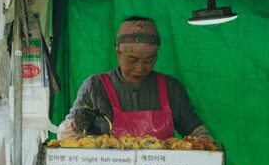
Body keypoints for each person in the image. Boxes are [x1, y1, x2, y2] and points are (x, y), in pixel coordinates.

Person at [60, 16, 209, 138]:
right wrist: (76, 125)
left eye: (148, 60)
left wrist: (211, 153)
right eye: (132, 60)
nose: (140, 68)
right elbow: (64, 139)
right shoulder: (94, 86)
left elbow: (198, 133)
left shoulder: (172, 88)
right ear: (118, 53)